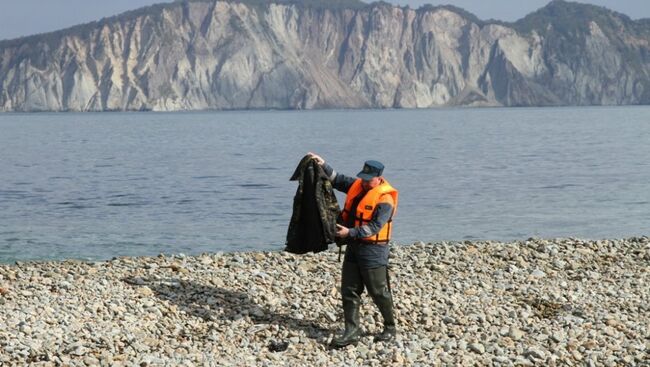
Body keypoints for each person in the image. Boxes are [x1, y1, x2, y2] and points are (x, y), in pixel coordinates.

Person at [308, 152, 399, 348]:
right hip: (354, 246)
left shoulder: (385, 200)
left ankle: (390, 327)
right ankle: (352, 330)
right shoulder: (358, 185)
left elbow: (374, 227)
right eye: (363, 178)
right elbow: (336, 179)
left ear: (378, 177)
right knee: (349, 289)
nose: (364, 182)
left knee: (378, 291)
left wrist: (349, 232)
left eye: (368, 180)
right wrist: (323, 164)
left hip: (373, 250)